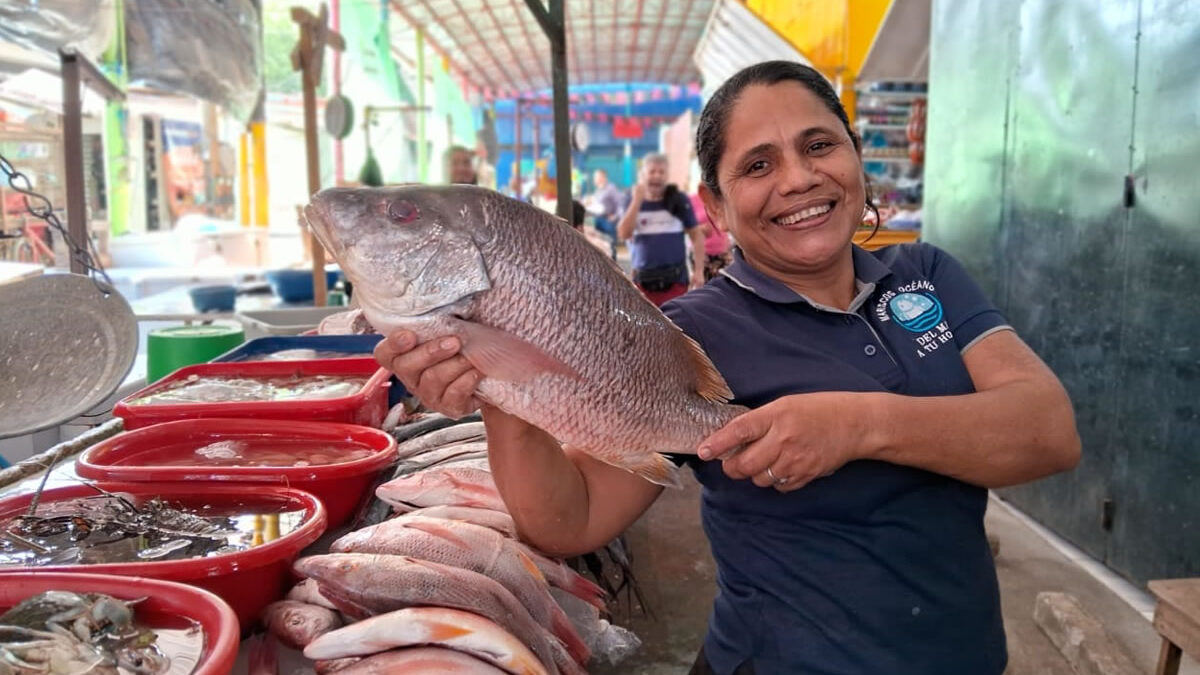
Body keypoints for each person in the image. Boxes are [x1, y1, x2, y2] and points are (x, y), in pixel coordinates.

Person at [374, 60, 1081, 674]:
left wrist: (858, 424)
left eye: (819, 146)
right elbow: (572, 520)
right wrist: (504, 393)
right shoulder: (693, 331)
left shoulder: (924, 273)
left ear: (855, 159)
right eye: (758, 165)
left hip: (968, 657)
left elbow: (1048, 431)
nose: (799, 179)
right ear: (714, 203)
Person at [618, 153, 706, 305]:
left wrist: (699, 271)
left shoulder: (678, 200)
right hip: (642, 283)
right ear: (643, 175)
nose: (657, 176)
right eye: (652, 172)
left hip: (676, 282)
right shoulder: (630, 199)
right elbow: (624, 234)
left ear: (667, 176)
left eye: (661, 172)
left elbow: (696, 236)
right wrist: (637, 201)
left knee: (676, 325)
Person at [690, 188, 732, 281]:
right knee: (706, 290)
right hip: (702, 256)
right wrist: (698, 229)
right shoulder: (692, 200)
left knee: (726, 289)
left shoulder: (722, 196)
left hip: (723, 254)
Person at [585, 168, 624, 258]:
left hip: (607, 221)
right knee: (600, 249)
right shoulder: (598, 190)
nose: (595, 179)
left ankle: (613, 269)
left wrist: (615, 217)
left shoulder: (611, 188)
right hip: (597, 221)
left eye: (597, 177)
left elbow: (620, 204)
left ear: (603, 177)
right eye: (594, 177)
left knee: (610, 247)